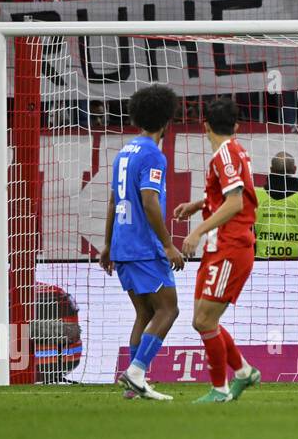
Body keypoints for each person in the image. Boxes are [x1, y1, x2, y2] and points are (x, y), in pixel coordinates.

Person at [173, 97, 261, 403]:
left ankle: (221, 389)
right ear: (236, 125)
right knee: (203, 318)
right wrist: (199, 205)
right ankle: (244, 372)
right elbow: (233, 195)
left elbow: (236, 203)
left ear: (205, 125)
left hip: (230, 244)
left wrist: (198, 230)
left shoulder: (224, 154)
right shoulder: (234, 151)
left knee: (204, 321)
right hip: (220, 245)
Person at [100, 85, 184, 401]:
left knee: (144, 314)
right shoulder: (152, 154)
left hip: (122, 245)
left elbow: (112, 201)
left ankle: (134, 386)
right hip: (143, 246)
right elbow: (149, 201)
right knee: (168, 310)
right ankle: (135, 373)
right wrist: (168, 244)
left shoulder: (125, 153)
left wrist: (108, 245)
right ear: (167, 120)